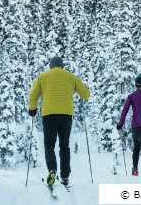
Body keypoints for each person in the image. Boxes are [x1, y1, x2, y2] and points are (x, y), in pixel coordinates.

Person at [28, 56, 90, 188]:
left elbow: (33, 94)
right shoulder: (70, 76)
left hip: (49, 114)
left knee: (49, 145)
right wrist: (86, 89)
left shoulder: (43, 76)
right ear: (62, 66)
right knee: (64, 145)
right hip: (66, 115)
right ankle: (65, 176)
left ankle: (52, 170)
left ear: (51, 66)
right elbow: (85, 94)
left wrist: (32, 109)